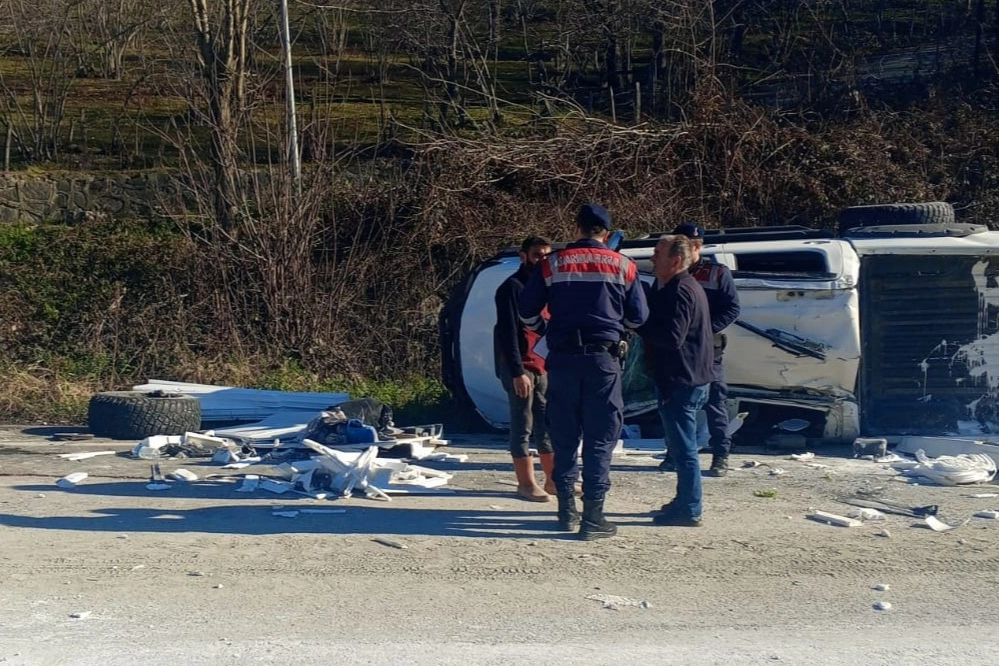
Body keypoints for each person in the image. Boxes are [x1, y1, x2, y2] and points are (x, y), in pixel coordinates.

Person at [519, 203, 649, 540]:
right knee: (600, 437)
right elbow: (639, 316)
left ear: (576, 227)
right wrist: (618, 329)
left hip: (562, 359)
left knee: (563, 435)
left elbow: (527, 310)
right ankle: (593, 515)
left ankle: (565, 512)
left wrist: (547, 332)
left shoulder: (552, 263)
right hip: (603, 361)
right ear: (606, 233)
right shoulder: (624, 265)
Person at [639, 235, 714, 527]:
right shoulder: (672, 287)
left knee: (684, 449)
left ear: (677, 260)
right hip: (684, 376)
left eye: (658, 253)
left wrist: (640, 326)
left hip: (683, 378)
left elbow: (672, 338)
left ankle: (690, 508)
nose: (653, 258)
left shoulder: (682, 290)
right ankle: (685, 499)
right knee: (681, 446)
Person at [659, 222, 741, 477]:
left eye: (696, 242)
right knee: (672, 402)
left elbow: (732, 308)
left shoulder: (716, 273)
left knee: (714, 402)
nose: (692, 246)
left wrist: (705, 329)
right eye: (686, 241)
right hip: (675, 350)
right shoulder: (669, 271)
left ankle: (720, 454)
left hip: (708, 349)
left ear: (700, 245)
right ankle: (673, 451)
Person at [494, 235, 555, 502]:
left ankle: (553, 480)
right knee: (523, 424)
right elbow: (506, 333)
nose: (542, 260)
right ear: (523, 256)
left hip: (543, 366)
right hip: (519, 366)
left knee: (547, 425)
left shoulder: (548, 286)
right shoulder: (511, 288)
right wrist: (518, 372)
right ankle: (525, 483)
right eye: (537, 255)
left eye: (546, 255)